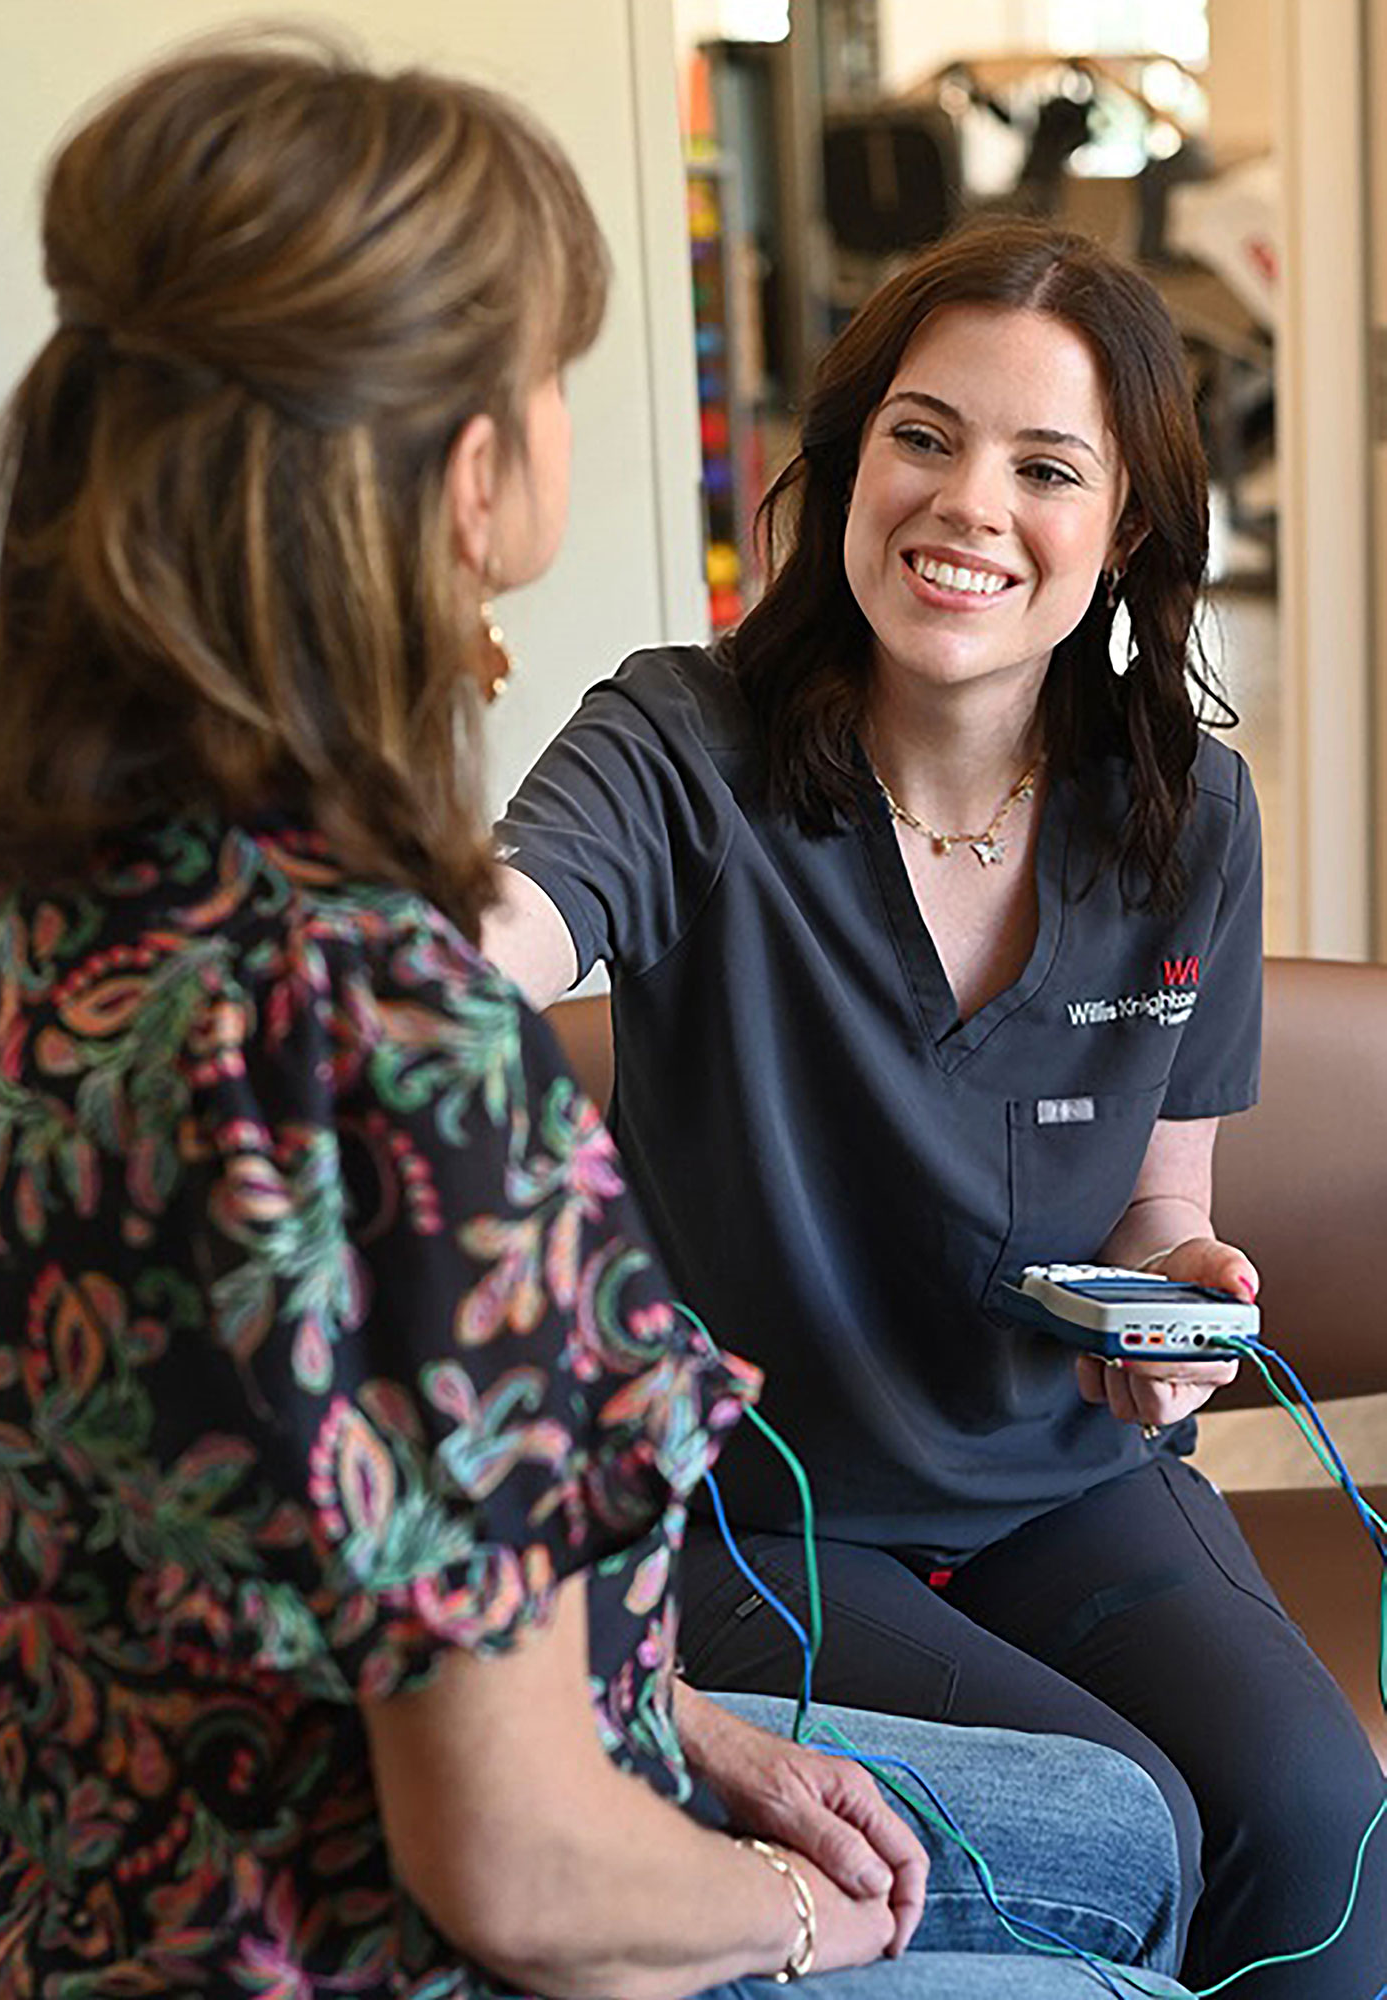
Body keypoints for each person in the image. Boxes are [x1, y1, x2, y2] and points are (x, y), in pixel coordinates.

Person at [0, 38, 1196, 2000]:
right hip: (342, 1923)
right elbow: (513, 1865)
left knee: (1126, 1834)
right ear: (466, 469)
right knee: (1104, 1942)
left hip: (95, 1852)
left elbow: (305, 1534)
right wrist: (785, 1912)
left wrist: (661, 1720)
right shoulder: (400, 1034)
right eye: (549, 374)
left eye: (1046, 467)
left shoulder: (5, 912)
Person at [486, 217, 1387, 1999]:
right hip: (760, 1512)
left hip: (1063, 1478)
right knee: (1111, 1818)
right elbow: (485, 939)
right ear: (844, 465)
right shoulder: (680, 744)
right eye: (922, 435)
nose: (967, 504)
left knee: (1305, 1806)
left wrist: (1179, 1306)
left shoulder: (1183, 808)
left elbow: (1158, 1211)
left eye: (1044, 466)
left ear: (1120, 531)